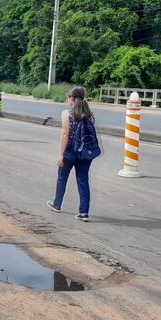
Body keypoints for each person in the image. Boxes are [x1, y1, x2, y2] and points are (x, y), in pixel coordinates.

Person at [47, 86, 95, 222]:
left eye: (68, 98)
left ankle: (57, 204)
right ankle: (84, 212)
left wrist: (60, 154)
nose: (67, 100)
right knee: (83, 181)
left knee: (62, 177)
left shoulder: (67, 113)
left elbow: (65, 134)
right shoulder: (89, 113)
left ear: (72, 99)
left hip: (70, 151)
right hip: (84, 152)